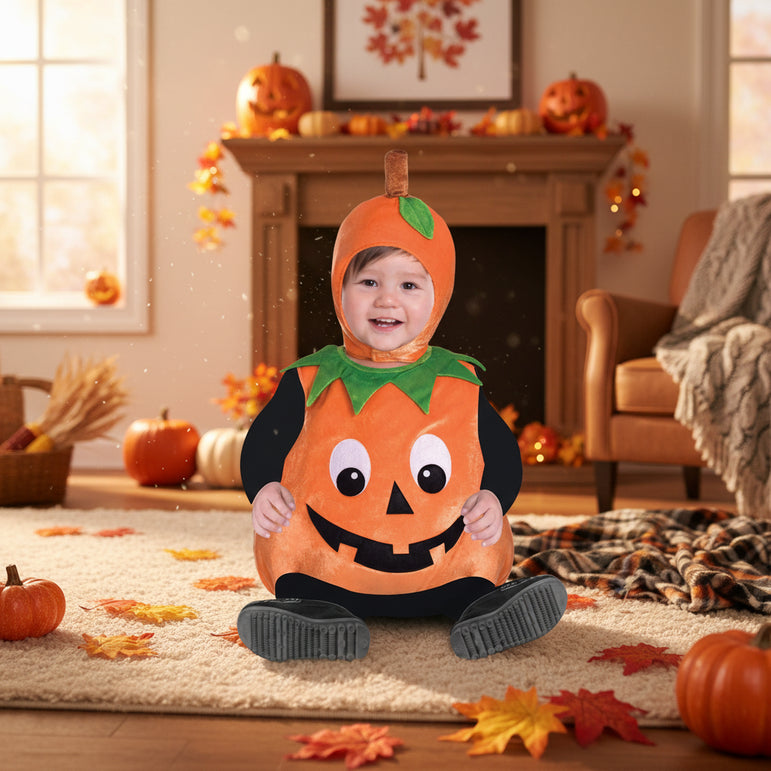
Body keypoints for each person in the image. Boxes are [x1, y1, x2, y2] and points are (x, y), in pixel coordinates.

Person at [237, 150, 566, 662]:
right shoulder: (308, 380)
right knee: (287, 532)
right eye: (368, 282)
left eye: (409, 285)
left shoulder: (459, 382)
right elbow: (265, 441)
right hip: (328, 561)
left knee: (481, 541)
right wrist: (263, 489)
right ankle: (309, 611)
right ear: (338, 289)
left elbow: (500, 453)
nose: (387, 300)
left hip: (442, 557)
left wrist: (494, 498)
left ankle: (479, 606)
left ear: (440, 295)